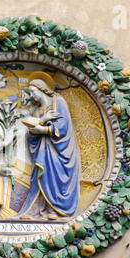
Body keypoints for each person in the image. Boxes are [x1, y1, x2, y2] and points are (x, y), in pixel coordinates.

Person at [17, 72, 81, 220]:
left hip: (60, 151)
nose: (32, 96)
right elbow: (30, 135)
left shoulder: (58, 102)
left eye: (33, 92)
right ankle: (36, 211)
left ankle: (55, 210)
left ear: (42, 89)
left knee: (56, 177)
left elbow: (63, 127)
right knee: (42, 176)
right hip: (42, 152)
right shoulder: (37, 111)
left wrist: (43, 129)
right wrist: (39, 124)